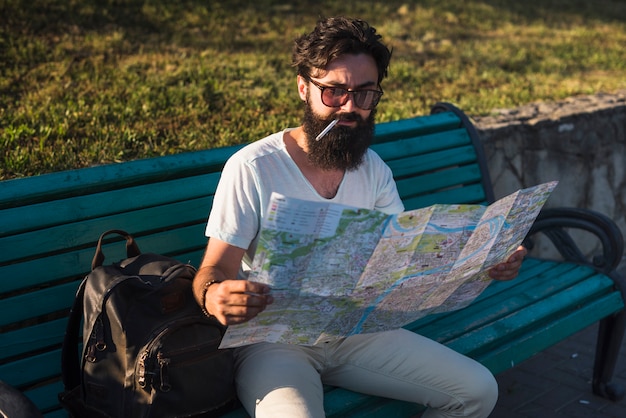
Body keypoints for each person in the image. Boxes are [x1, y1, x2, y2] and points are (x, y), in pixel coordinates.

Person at [192, 16, 527, 418]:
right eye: (334, 92)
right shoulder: (254, 168)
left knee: (476, 390)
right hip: (275, 341)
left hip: (356, 331)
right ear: (304, 87)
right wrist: (214, 296)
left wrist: (485, 263)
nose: (350, 107)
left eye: (365, 94)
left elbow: (406, 260)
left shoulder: (373, 169)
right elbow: (215, 267)